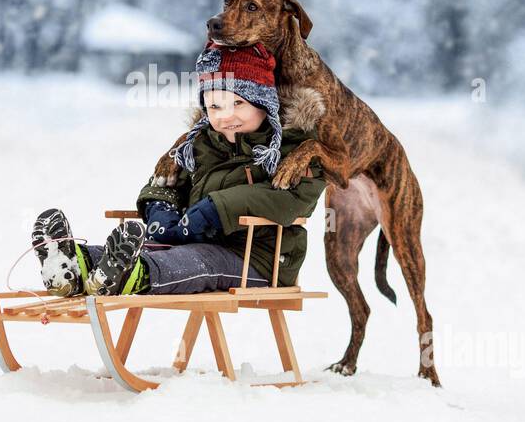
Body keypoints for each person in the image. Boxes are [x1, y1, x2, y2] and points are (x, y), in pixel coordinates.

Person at [32, 40, 327, 297]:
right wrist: (161, 209)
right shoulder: (200, 143)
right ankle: (73, 263)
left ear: (264, 103)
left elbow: (292, 200)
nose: (227, 117)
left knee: (197, 261)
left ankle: (133, 275)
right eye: (215, 107)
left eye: (239, 103)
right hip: (189, 243)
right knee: (154, 248)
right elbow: (166, 180)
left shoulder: (292, 148)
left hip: (258, 260)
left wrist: (215, 208)